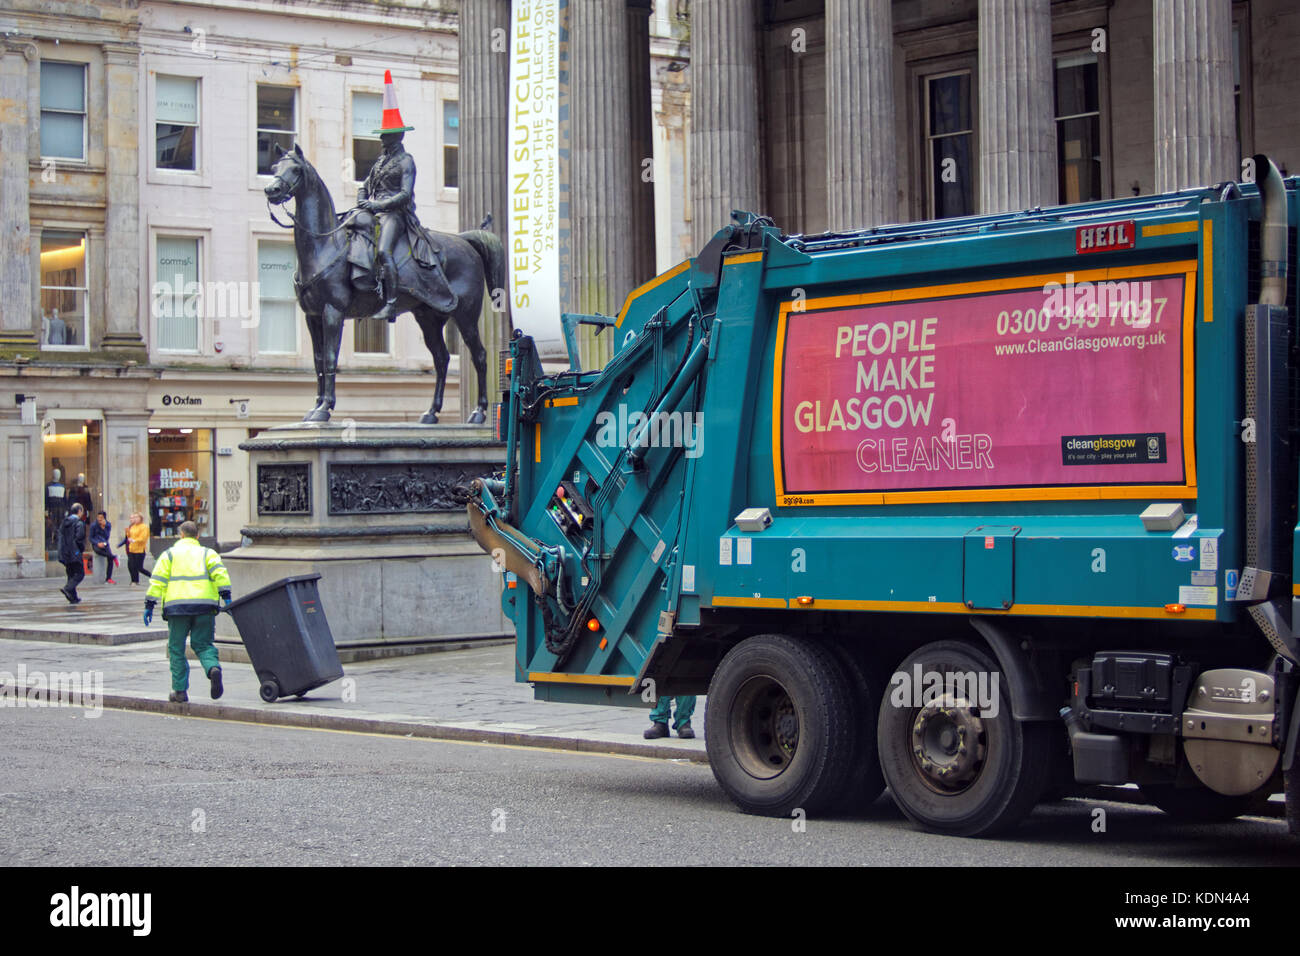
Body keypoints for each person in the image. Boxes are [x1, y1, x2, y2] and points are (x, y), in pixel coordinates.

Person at [355, 69, 452, 320]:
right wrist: (362, 200)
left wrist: (378, 206)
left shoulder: (406, 161)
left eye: (385, 135)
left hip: (395, 215)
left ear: (396, 136)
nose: (382, 139)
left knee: (384, 251)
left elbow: (405, 195)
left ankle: (390, 302)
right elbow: (365, 184)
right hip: (374, 212)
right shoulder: (379, 162)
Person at [144, 521, 232, 703]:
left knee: (176, 649)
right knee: (203, 644)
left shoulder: (169, 555)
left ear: (181, 535)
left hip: (177, 608)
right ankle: (213, 668)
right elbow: (221, 574)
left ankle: (179, 691)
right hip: (205, 607)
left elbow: (157, 581)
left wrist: (149, 605)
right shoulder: (208, 553)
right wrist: (226, 596)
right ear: (197, 536)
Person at [57, 503, 87, 604]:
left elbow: (60, 538)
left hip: (65, 553)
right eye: (82, 511)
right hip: (74, 552)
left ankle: (73, 597)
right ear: (79, 511)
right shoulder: (79, 523)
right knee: (80, 573)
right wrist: (80, 549)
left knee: (71, 574)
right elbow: (79, 538)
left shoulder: (64, 523)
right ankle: (67, 588)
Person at [118, 513, 151, 586]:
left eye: (136, 517)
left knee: (139, 567)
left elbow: (143, 537)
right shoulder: (132, 527)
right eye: (133, 518)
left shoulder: (144, 527)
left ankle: (152, 577)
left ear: (140, 518)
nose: (134, 519)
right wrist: (127, 533)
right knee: (131, 566)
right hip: (131, 549)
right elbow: (129, 537)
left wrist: (135, 540)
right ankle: (134, 581)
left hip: (140, 549)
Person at [88, 511, 117, 583]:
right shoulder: (94, 525)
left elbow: (107, 536)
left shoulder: (108, 525)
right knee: (100, 552)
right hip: (96, 544)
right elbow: (91, 538)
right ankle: (114, 557)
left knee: (109, 558)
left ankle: (109, 577)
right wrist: (97, 543)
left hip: (105, 543)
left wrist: (104, 528)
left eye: (101, 518)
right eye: (98, 517)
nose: (99, 519)